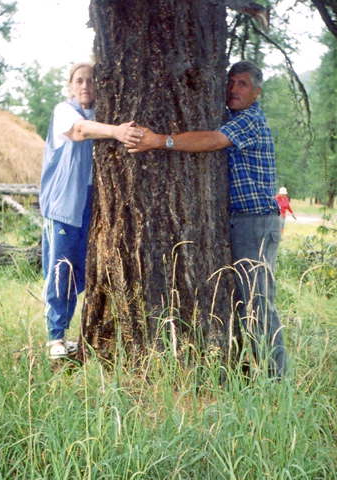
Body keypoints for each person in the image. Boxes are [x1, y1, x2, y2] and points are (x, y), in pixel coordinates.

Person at [129, 60, 287, 378]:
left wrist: (159, 140)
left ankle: (277, 379)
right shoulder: (234, 116)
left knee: (256, 302)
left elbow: (213, 141)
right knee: (244, 300)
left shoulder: (249, 121)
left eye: (242, 84)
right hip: (242, 221)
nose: (233, 89)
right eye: (230, 82)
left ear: (257, 92)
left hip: (255, 223)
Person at [41, 62, 143, 360]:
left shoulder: (103, 114)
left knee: (86, 270)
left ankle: (86, 331)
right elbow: (80, 131)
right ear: (71, 86)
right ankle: (55, 337)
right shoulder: (65, 111)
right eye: (79, 81)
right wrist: (118, 132)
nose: (85, 86)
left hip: (92, 204)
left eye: (91, 80)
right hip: (63, 204)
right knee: (61, 269)